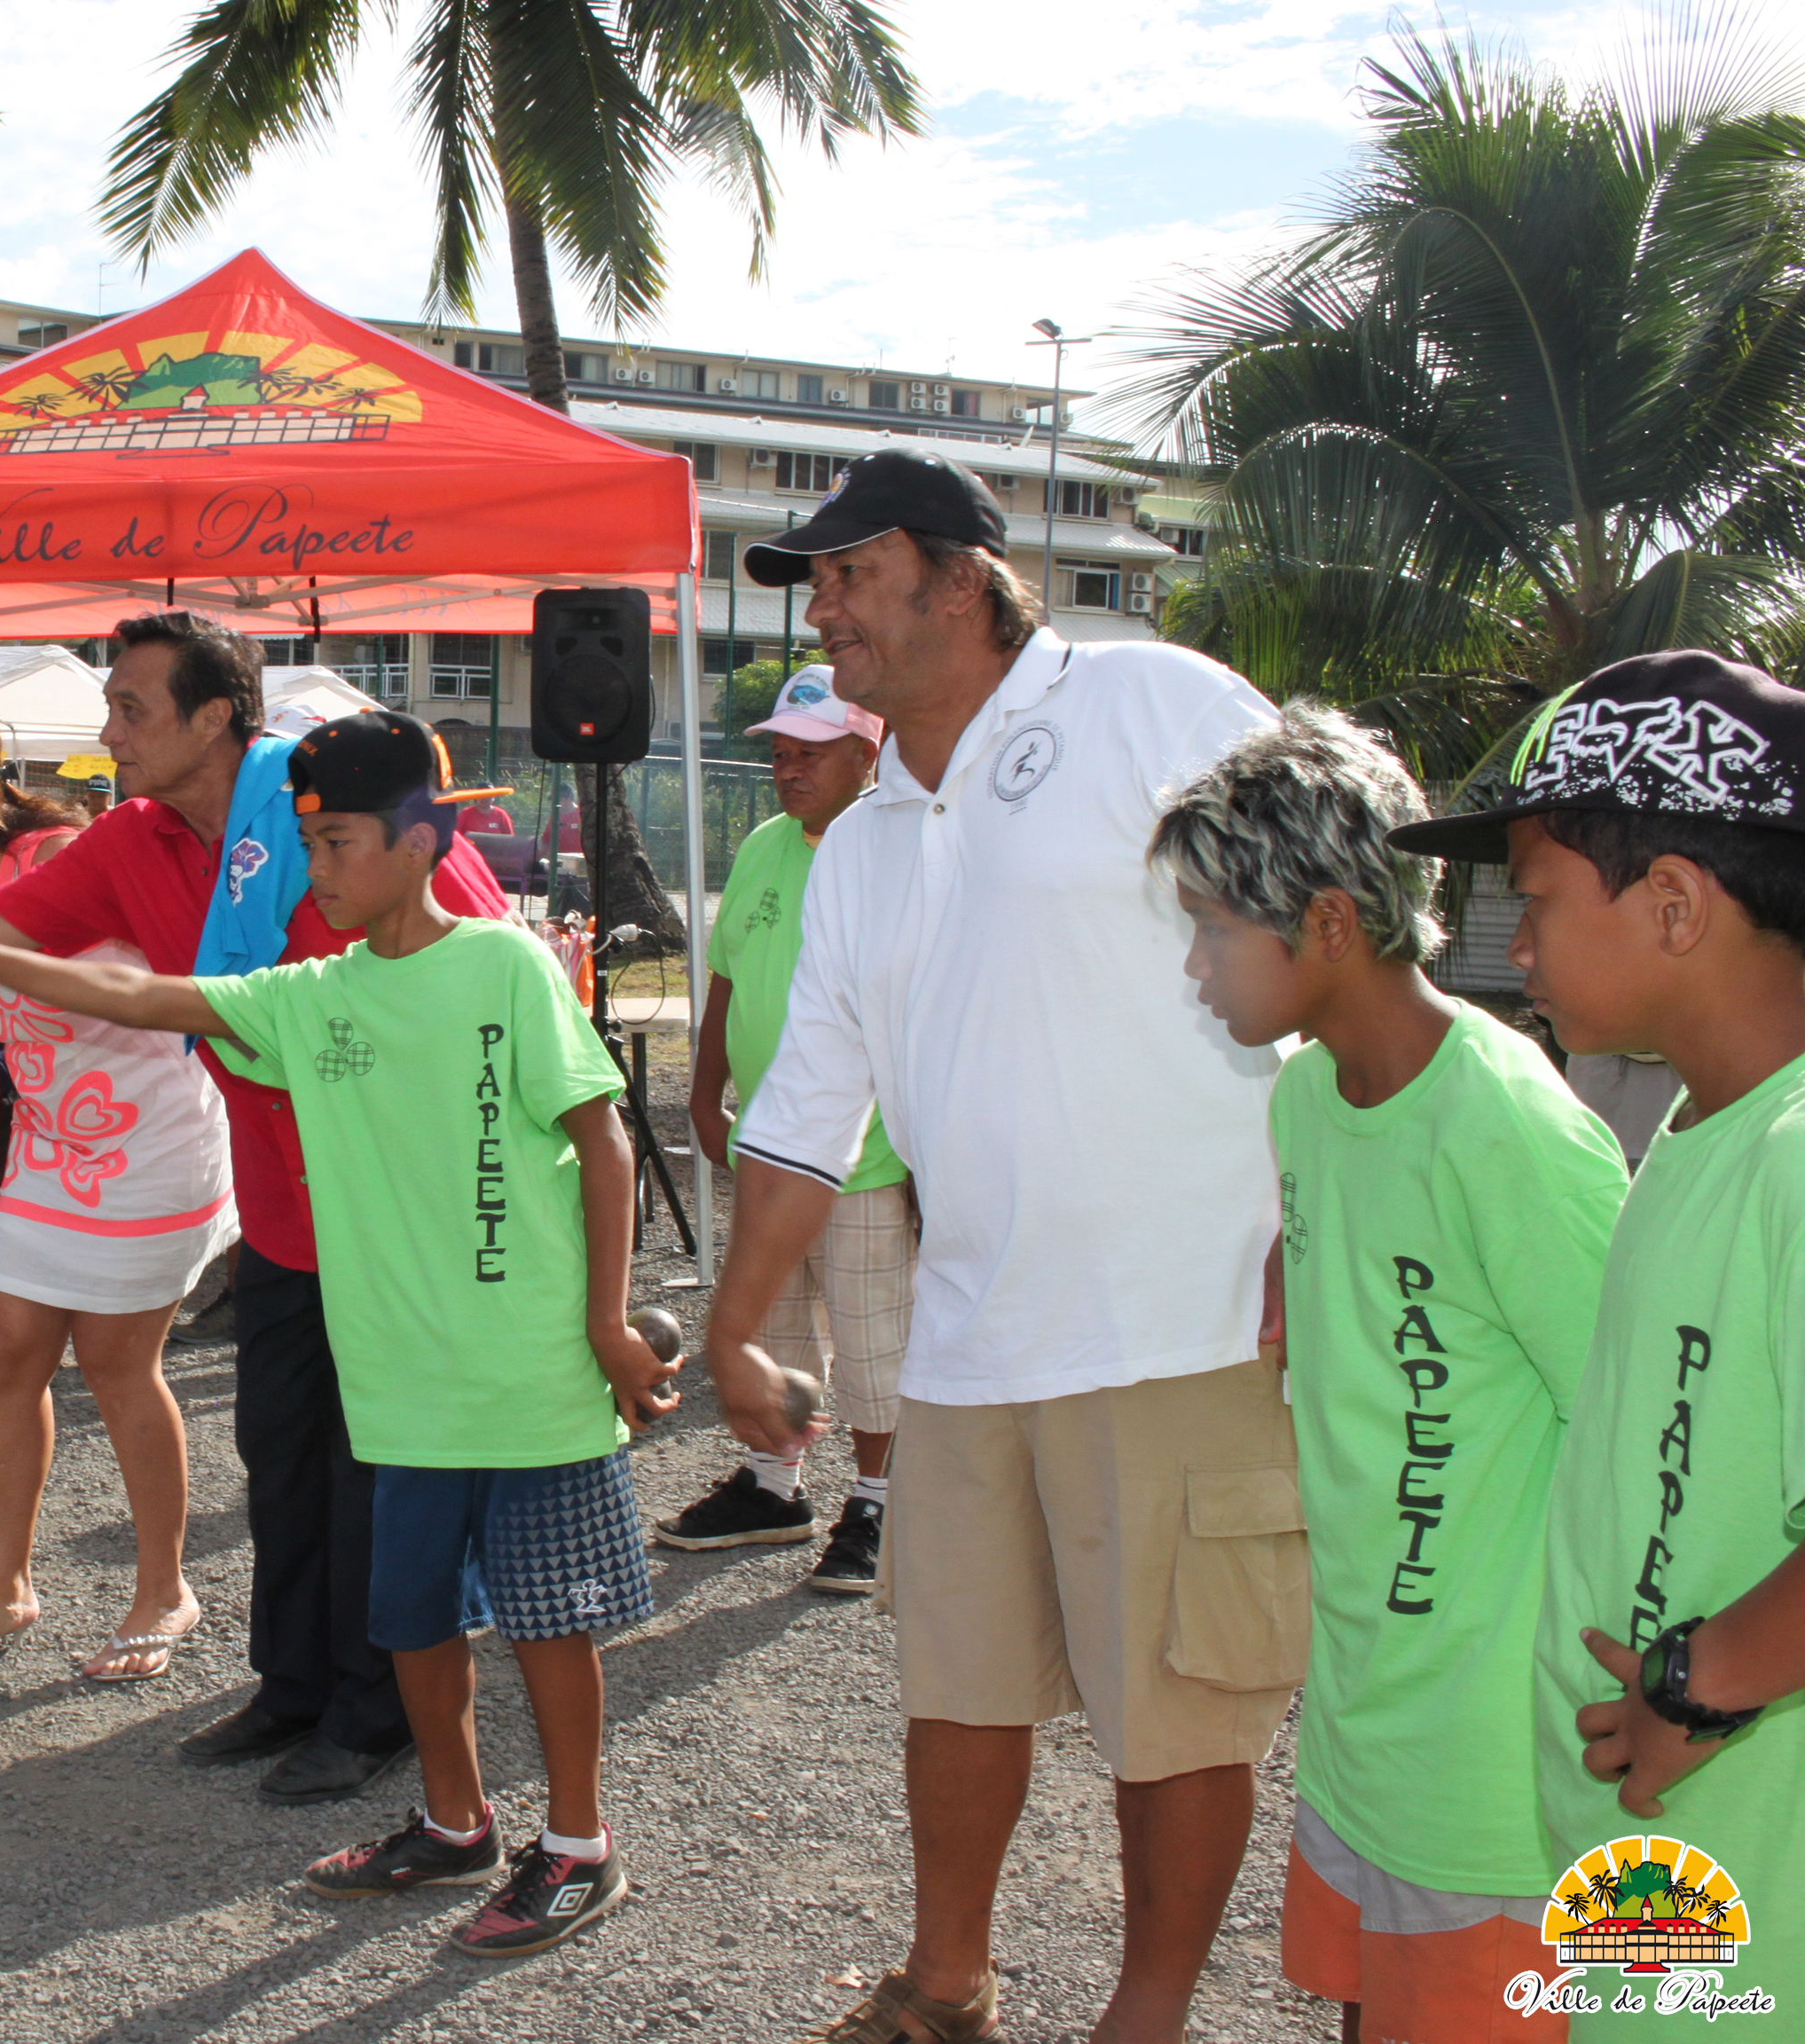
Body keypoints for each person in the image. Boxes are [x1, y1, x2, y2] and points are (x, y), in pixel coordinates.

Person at [0, 708, 672, 1957]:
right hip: (401, 1383)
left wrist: (608, 1325)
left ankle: (579, 1845)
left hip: (531, 1373)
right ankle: (458, 1824)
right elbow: (127, 986)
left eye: (336, 845)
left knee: (550, 1623)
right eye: (302, 844)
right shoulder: (308, 995)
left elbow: (602, 1140)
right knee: (409, 1620)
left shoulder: (504, 965)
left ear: (414, 843)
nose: (314, 870)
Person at [703, 450, 1299, 2044]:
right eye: (812, 584)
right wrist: (732, 1324)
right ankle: (943, 1981)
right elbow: (801, 1114)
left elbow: (1338, 919)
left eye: (848, 574)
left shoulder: (1145, 703)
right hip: (972, 1341)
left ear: (960, 577)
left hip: (1179, 1322)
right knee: (952, 1686)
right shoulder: (866, 840)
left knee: (1170, 1712)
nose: (820, 613)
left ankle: (1148, 2013)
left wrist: (1325, 1213)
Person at [0, 612, 510, 1803]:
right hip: (283, 1215)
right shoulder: (133, 838)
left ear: (217, 719)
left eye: (132, 707)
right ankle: (293, 1687)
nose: (107, 730)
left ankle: (379, 1708)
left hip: (400, 1215)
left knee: (375, 1472)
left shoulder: (345, 808)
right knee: (281, 1457)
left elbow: (486, 996)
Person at [1156, 706, 1628, 2043]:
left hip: (1503, 1776)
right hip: (1369, 1728)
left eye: (1210, 927)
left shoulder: (1511, 1125)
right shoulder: (1308, 1101)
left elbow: (1645, 1427)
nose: (1191, 965)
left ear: (1325, 924)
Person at [1386, 651, 1805, 2032]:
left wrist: (1707, 1679)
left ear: (1675, 904)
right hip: (1668, 1854)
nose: (1517, 950)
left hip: (1759, 1879)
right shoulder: (1698, 1133)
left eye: (1540, 899)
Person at [0, 686, 230, 1686]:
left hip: (153, 1136)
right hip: (49, 1154)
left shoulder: (62, 854)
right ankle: (7, 1586)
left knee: (118, 1364)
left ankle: (164, 1587)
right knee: (5, 1356)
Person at [662, 665, 913, 1592]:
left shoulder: (898, 847)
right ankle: (776, 1486)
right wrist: (704, 1089)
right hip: (771, 1145)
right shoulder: (768, 844)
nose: (786, 766)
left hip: (867, 1157)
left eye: (809, 751)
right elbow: (729, 973)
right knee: (779, 1332)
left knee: (876, 1346)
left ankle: (883, 1503)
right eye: (779, 749)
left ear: (865, 751)